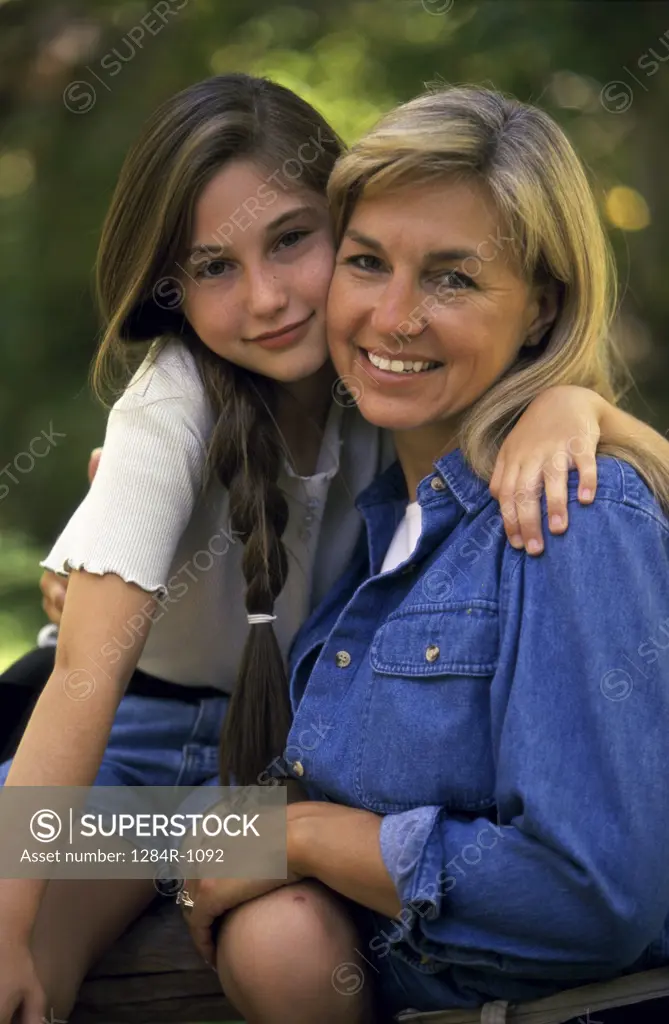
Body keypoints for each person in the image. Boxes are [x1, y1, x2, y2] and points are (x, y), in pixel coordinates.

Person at [0, 72, 631, 1024]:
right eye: (212, 267)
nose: (266, 298)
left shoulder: (384, 370)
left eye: (292, 240)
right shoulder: (172, 406)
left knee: (285, 927)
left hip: (287, 782)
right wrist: (10, 917)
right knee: (21, 960)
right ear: (170, 289)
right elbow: (84, 678)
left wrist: (576, 403)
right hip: (127, 768)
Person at [177, 85, 669, 1024]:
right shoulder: (379, 536)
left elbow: (591, 899)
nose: (393, 317)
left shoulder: (572, 511)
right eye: (366, 263)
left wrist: (313, 838)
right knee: (36, 835)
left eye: (451, 277)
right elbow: (208, 828)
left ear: (539, 310)